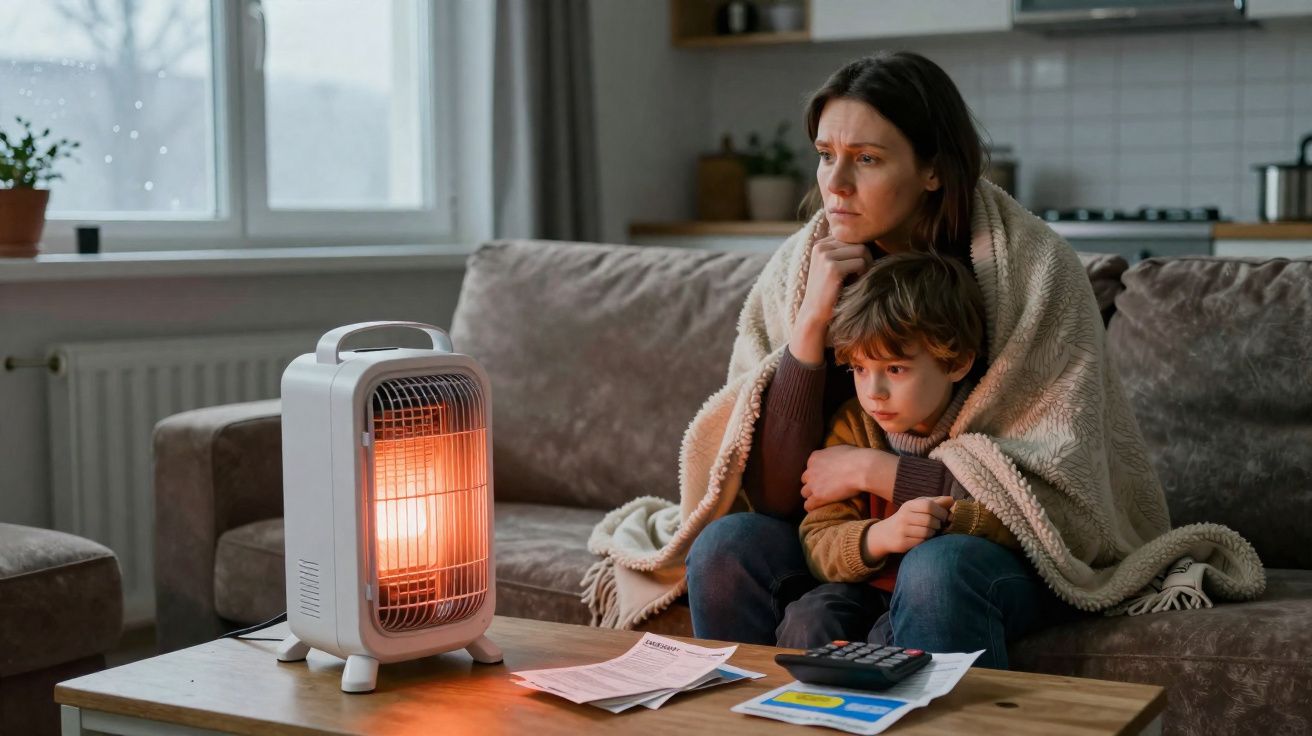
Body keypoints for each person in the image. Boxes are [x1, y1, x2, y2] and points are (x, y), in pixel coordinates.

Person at [584, 51, 1262, 663]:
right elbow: (768, 491)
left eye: (867, 159)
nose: (835, 184)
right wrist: (813, 324)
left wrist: (874, 469)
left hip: (987, 547)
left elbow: (1049, 497)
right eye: (825, 155)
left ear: (934, 168)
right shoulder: (800, 267)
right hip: (848, 540)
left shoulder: (1032, 270)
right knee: (725, 551)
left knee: (937, 570)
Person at [778, 250, 1019, 649]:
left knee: (890, 634)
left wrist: (942, 519)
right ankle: (813, 712)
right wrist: (881, 536)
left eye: (895, 369)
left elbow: (1017, 518)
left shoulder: (985, 422)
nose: (874, 393)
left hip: (954, 585)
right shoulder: (853, 425)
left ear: (956, 362)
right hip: (870, 584)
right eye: (859, 369)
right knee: (809, 619)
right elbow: (818, 540)